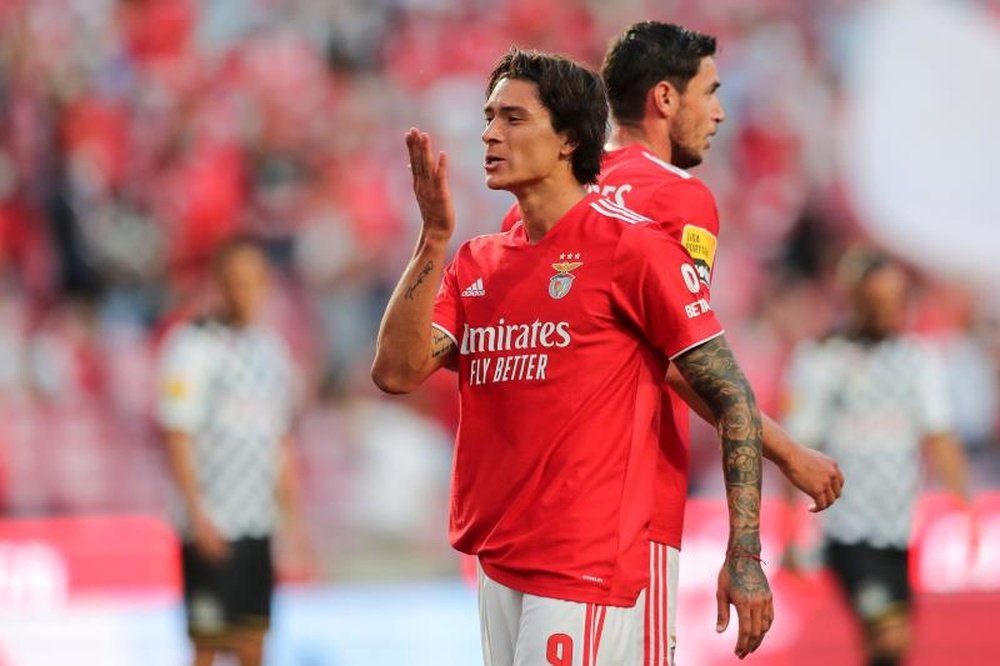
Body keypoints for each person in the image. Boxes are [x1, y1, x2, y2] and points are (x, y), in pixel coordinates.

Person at [372, 47, 772, 664]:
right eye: (488, 117)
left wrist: (743, 554)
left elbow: (731, 396)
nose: (488, 134)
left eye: (512, 118)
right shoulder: (477, 262)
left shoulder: (634, 250)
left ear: (567, 140)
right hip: (498, 558)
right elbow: (396, 372)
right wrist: (432, 239)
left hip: (583, 560)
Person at [499, 22, 844, 664]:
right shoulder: (678, 198)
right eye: (710, 93)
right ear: (664, 98)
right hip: (628, 508)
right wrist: (789, 453)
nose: (719, 112)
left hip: (524, 515)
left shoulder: (536, 201)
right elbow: (685, 362)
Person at [781, 248, 973, 666]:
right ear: (855, 300)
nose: (890, 311)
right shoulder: (822, 360)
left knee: (885, 644)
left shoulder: (917, 358)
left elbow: (938, 432)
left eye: (897, 300)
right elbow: (792, 448)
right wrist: (788, 530)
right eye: (879, 301)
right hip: (846, 526)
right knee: (890, 637)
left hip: (900, 526)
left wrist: (965, 504)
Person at [157, 236, 306, 666]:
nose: (245, 292)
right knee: (208, 643)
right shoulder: (191, 347)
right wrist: (197, 513)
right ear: (218, 285)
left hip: (256, 520)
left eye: (253, 282)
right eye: (235, 282)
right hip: (213, 521)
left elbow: (279, 440)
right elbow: (177, 433)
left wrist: (294, 520)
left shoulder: (270, 351)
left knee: (253, 643)